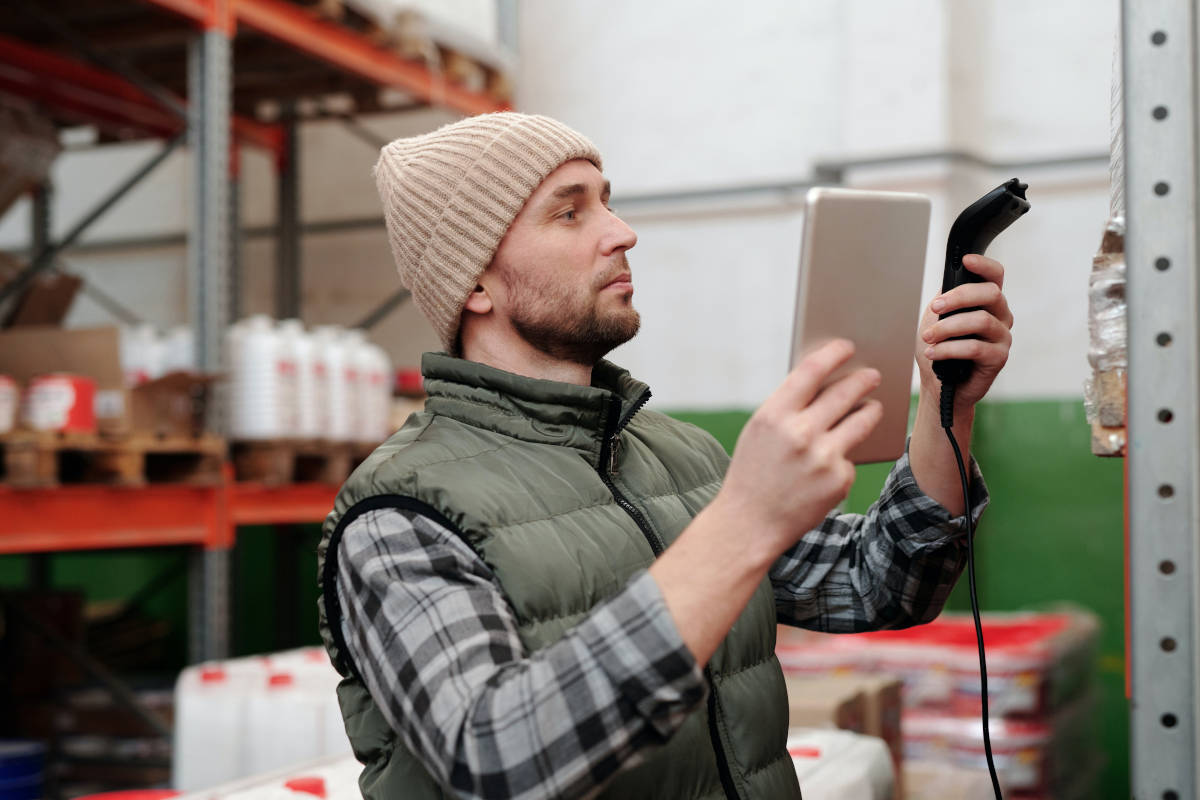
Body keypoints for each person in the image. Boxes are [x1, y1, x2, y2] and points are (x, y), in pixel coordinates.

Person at [316, 112, 1012, 800]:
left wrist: (947, 404)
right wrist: (743, 520)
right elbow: (503, 763)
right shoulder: (397, 514)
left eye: (608, 204)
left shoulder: (682, 459)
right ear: (474, 284)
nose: (622, 233)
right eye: (569, 214)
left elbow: (882, 584)